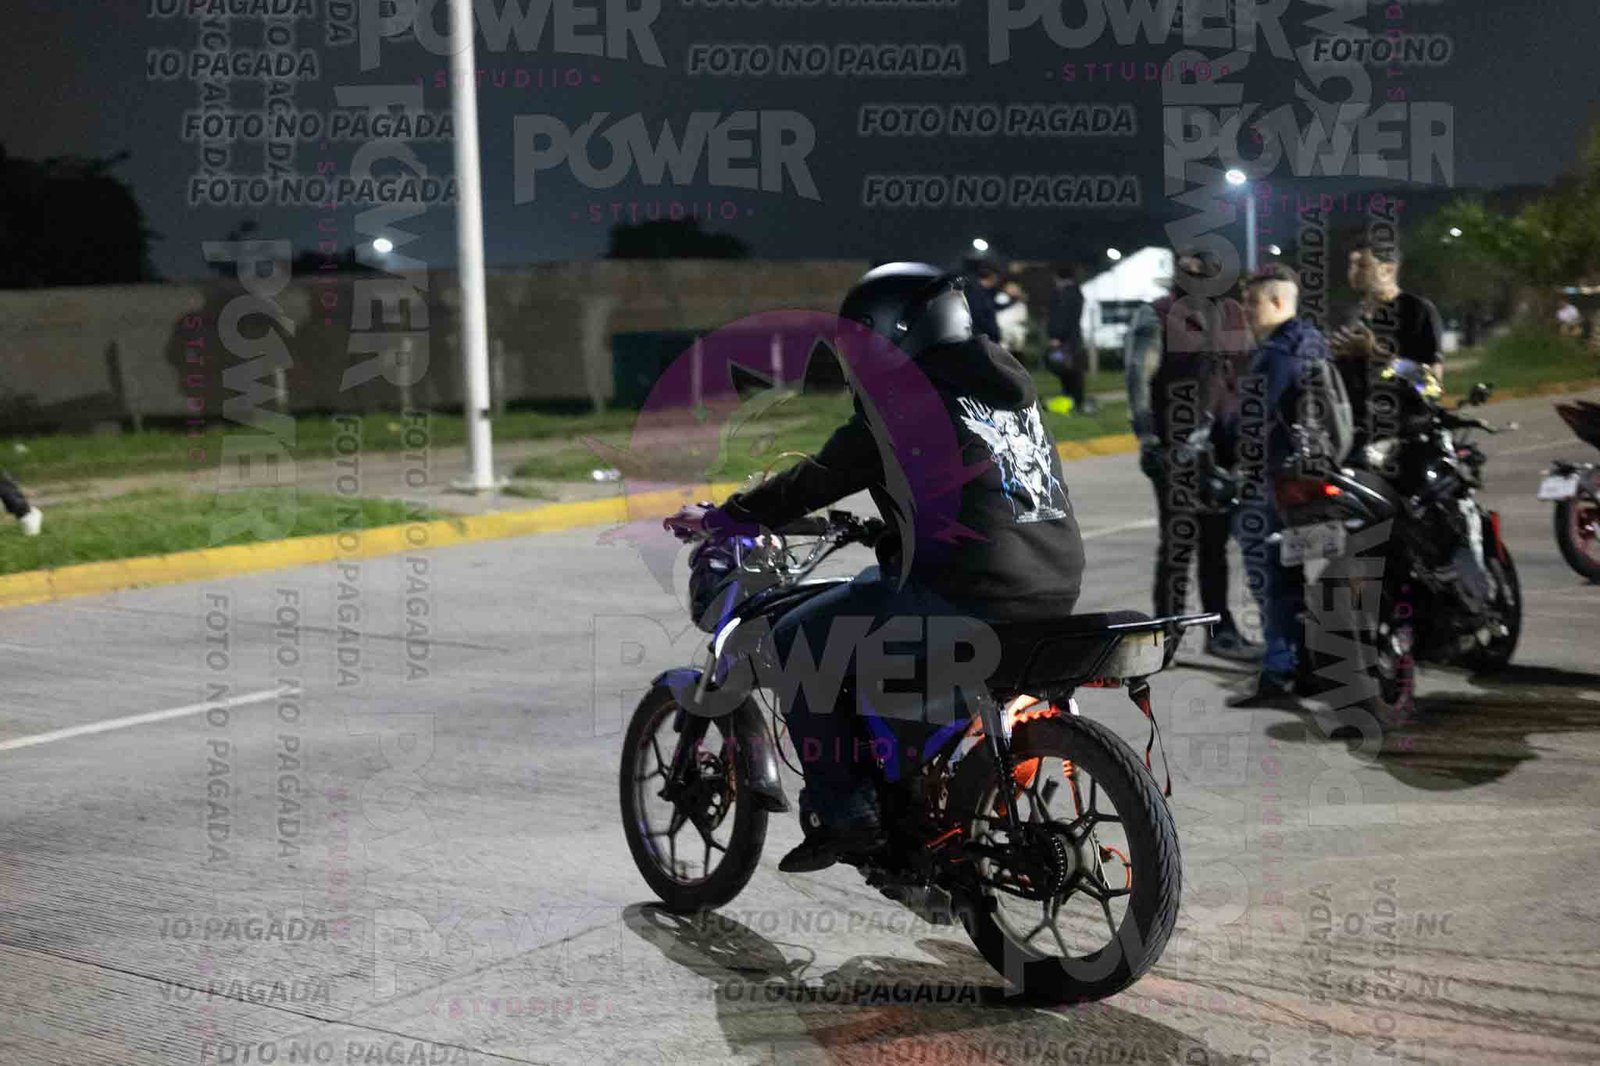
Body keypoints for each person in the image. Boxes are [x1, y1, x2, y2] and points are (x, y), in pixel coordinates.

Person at [664, 262, 1086, 872]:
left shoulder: (904, 399)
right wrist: (894, 530)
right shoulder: (1003, 387)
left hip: (966, 590)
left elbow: (819, 478)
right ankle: (923, 794)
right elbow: (980, 491)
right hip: (1051, 582)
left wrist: (727, 517)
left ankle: (849, 814)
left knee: (796, 641)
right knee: (871, 616)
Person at [1124, 251, 1261, 661]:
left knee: (1216, 544)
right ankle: (1166, 636)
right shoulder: (1158, 314)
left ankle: (1220, 631)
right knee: (1178, 543)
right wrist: (1148, 439)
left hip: (1225, 448)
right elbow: (1138, 376)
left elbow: (1247, 374)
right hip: (1175, 448)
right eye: (1188, 269)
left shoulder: (1233, 315)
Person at [1228, 265, 1329, 708]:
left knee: (1270, 580)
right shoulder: (1314, 342)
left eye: (1252, 302)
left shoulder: (1273, 356)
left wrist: (1228, 458)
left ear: (1276, 301)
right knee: (1292, 577)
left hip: (1270, 483)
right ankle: (1307, 665)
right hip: (1310, 480)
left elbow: (1251, 425)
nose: (1246, 311)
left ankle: (1279, 671)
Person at [1331, 241, 1444, 447]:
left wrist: (1376, 354)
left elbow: (1431, 386)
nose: (1353, 272)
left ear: (1388, 269)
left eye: (1362, 265)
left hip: (1404, 432)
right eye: (1351, 265)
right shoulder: (1352, 317)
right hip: (1356, 430)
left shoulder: (1417, 311)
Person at [1045, 264, 1096, 415]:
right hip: (1074, 339)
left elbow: (1061, 317)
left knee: (1066, 371)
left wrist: (1056, 335)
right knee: (1073, 371)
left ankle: (1071, 400)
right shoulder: (1077, 293)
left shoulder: (1064, 294)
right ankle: (1076, 401)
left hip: (1064, 341)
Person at [966, 260, 1003, 344]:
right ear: (993, 276)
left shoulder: (983, 292)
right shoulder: (977, 293)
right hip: (980, 340)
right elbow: (979, 318)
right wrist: (994, 334)